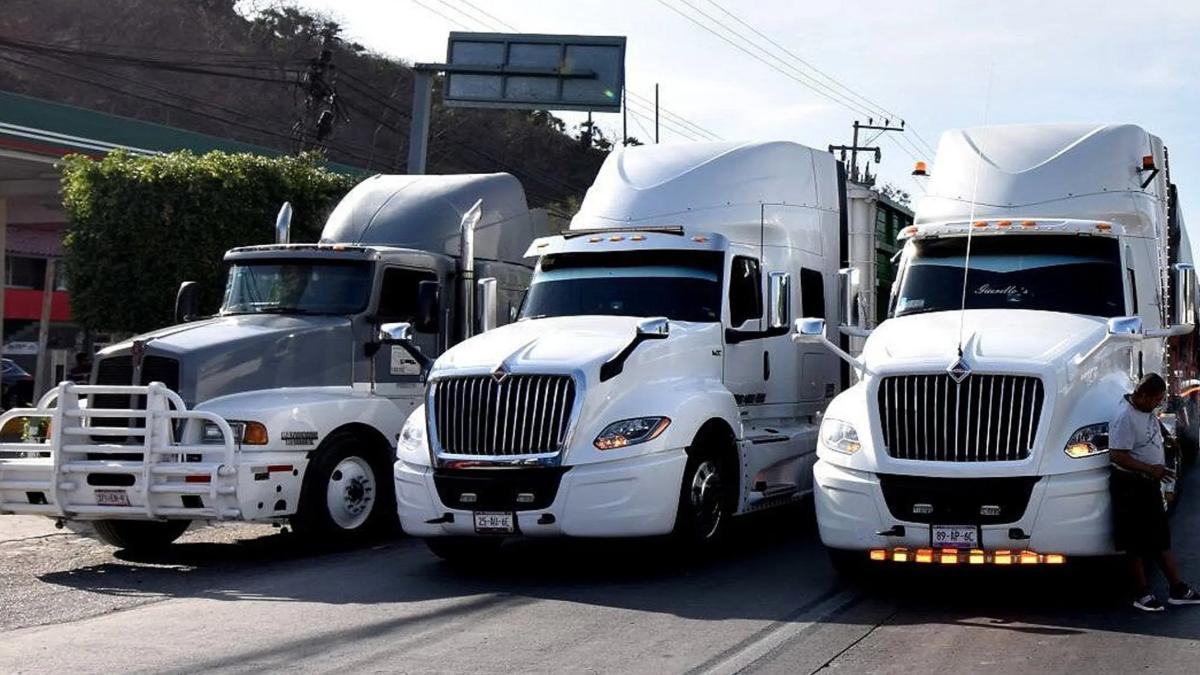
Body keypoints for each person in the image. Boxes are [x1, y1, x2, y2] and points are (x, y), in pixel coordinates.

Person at [1109, 373, 1200, 611]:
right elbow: (1117, 455)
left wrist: (1168, 438)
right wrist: (1151, 469)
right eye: (1156, 400)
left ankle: (1177, 589)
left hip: (1147, 484)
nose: (1158, 404)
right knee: (1135, 542)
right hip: (1130, 485)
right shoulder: (1124, 417)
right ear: (1142, 395)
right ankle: (1141, 594)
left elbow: (1153, 421)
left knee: (1159, 538)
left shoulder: (1145, 409)